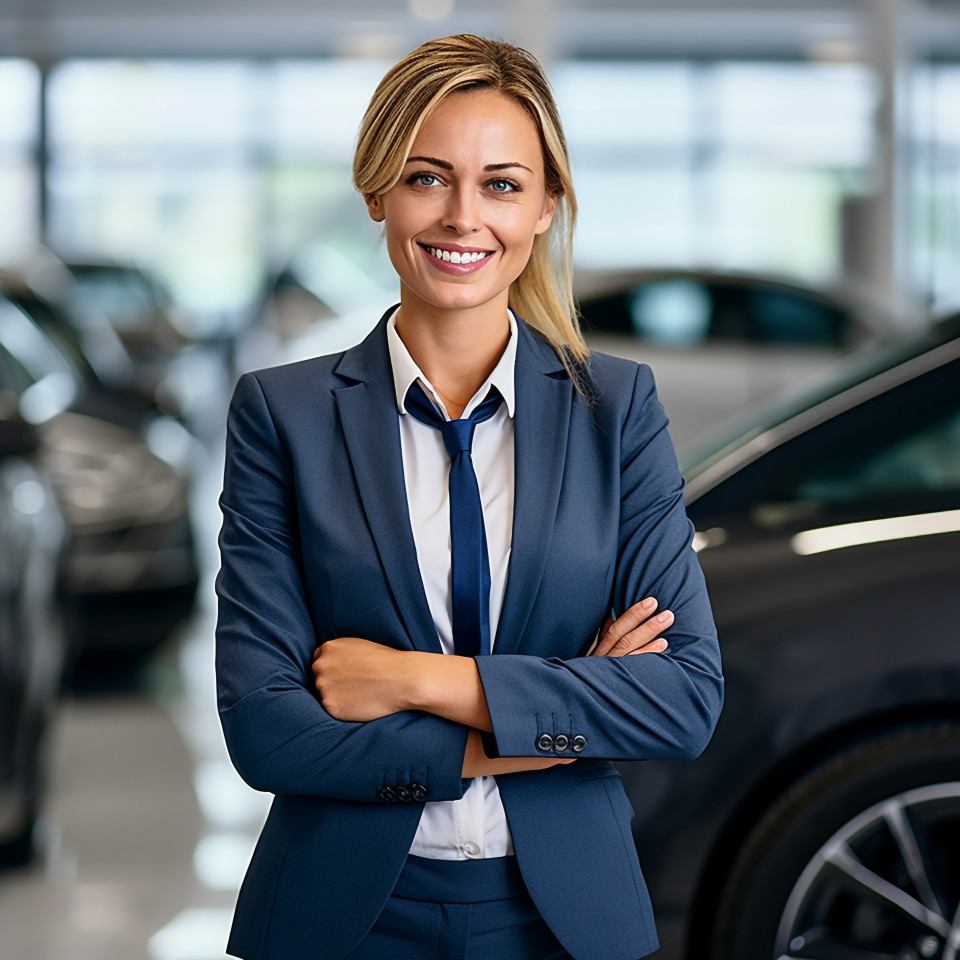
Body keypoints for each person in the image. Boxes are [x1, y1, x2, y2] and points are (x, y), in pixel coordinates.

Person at [215, 34, 723, 960]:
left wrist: (413, 680)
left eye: (501, 184)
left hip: (567, 916)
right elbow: (267, 731)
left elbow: (682, 699)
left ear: (545, 207)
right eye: (427, 178)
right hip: (342, 914)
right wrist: (556, 716)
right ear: (376, 191)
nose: (462, 217)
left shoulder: (615, 410)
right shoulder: (283, 415)